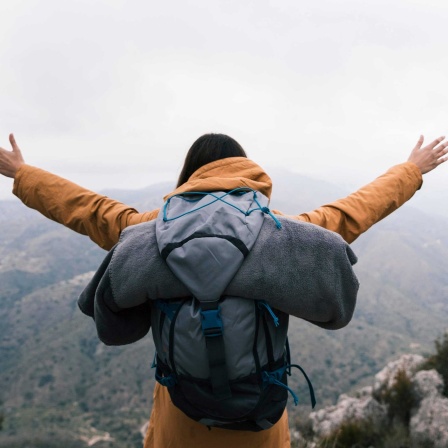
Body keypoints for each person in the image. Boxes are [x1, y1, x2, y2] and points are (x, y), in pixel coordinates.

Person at [0, 132, 447, 448]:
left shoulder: (150, 233)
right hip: (259, 427)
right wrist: (411, 170)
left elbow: (90, 210)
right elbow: (350, 213)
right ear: (245, 173)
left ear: (189, 176)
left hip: (180, 425)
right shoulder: (282, 240)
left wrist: (24, 174)